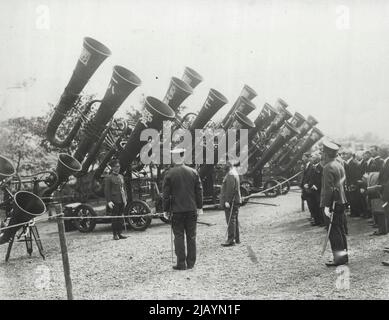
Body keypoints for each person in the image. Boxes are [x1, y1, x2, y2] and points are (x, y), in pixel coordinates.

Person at [163, 148, 203, 270]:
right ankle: (191, 263)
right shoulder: (193, 172)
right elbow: (199, 191)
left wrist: (166, 210)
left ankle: (181, 263)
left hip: (177, 210)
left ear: (174, 158)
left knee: (179, 236)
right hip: (191, 209)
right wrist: (200, 207)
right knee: (191, 236)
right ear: (183, 156)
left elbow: (165, 195)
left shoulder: (169, 174)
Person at [320, 140, 348, 267]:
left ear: (326, 154)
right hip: (341, 201)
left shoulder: (327, 167)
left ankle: (339, 259)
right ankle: (343, 257)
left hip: (332, 203)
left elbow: (328, 189)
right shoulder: (339, 165)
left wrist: (326, 206)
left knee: (334, 231)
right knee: (340, 230)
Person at [104, 159, 128, 241]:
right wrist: (109, 201)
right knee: (115, 218)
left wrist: (125, 199)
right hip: (114, 200)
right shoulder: (108, 177)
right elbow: (106, 190)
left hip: (121, 199)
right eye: (116, 167)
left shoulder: (121, 176)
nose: (118, 168)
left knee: (120, 217)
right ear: (112, 168)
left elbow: (123, 189)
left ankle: (120, 233)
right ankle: (115, 234)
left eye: (119, 166)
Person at [220, 159, 242, 246]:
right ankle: (236, 239)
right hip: (235, 200)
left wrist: (227, 201)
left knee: (230, 220)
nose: (223, 167)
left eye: (224, 166)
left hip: (231, 201)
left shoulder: (230, 174)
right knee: (234, 219)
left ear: (228, 166)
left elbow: (230, 189)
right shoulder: (234, 173)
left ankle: (230, 240)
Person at [307, 151, 324, 226]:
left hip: (319, 190)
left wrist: (317, 186)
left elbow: (322, 179)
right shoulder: (312, 167)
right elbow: (311, 178)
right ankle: (317, 220)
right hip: (312, 190)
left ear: (317, 159)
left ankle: (322, 221)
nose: (311, 158)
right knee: (314, 206)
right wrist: (309, 184)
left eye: (313, 157)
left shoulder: (321, 167)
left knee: (319, 206)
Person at [300, 152, 314, 220]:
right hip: (305, 188)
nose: (302, 158)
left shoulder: (311, 166)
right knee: (309, 203)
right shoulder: (306, 165)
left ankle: (314, 217)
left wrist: (308, 184)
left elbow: (311, 177)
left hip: (309, 188)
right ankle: (312, 216)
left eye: (304, 157)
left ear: (308, 158)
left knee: (311, 203)